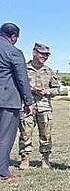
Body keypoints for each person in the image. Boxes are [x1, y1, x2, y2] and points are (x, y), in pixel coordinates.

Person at [18, 42, 60, 170]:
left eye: (47, 55)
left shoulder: (49, 71)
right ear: (34, 52)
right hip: (27, 106)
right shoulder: (23, 69)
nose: (44, 57)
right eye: (42, 54)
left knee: (46, 134)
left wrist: (47, 92)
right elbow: (18, 85)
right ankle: (24, 159)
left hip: (44, 107)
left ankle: (45, 159)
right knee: (25, 133)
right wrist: (32, 89)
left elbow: (56, 89)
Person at [0, 23, 33, 181]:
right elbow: (22, 79)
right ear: (13, 36)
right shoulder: (14, 52)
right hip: (7, 101)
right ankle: (2, 172)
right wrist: (28, 101)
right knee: (5, 137)